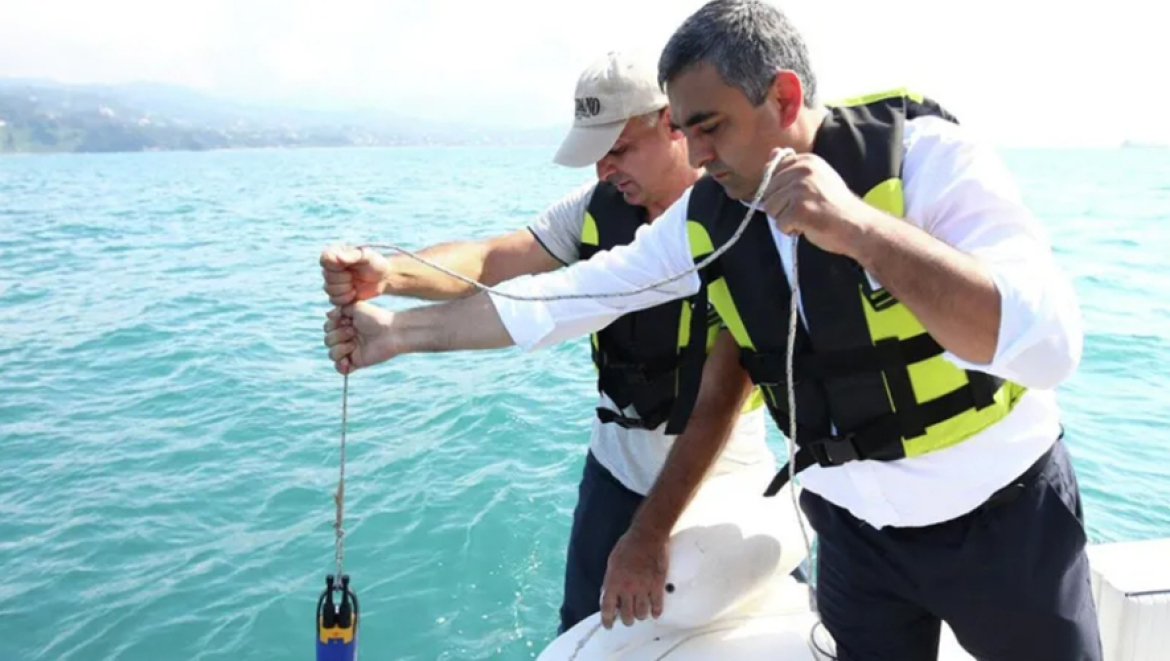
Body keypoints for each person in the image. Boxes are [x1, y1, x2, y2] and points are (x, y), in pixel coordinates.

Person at [320, 1, 1103, 658]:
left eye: (710, 127)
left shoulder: (925, 158)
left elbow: (1050, 343)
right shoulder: (710, 216)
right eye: (686, 132)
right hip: (855, 539)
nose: (696, 153)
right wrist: (396, 334)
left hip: (1002, 520)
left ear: (784, 99)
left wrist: (862, 231)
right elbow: (565, 296)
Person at [319, 50, 779, 635]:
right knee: (582, 628)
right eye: (596, 155)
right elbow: (492, 260)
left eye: (619, 149)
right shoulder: (594, 209)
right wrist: (391, 275)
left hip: (721, 472)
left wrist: (648, 533)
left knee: (728, 625)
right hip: (616, 466)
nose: (605, 170)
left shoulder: (733, 222)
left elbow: (717, 402)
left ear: (672, 123)